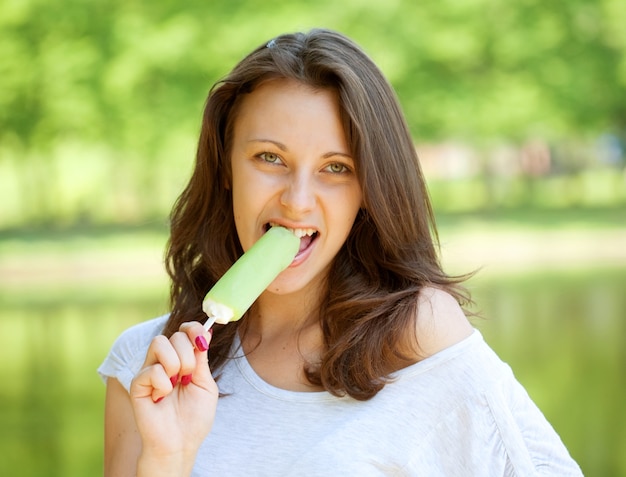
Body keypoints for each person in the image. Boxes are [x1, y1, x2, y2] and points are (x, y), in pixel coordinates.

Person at [99, 29, 583, 476]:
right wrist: (169, 458)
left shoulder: (418, 334)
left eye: (335, 167)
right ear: (226, 166)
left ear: (368, 190)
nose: (297, 199)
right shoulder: (143, 365)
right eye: (270, 158)